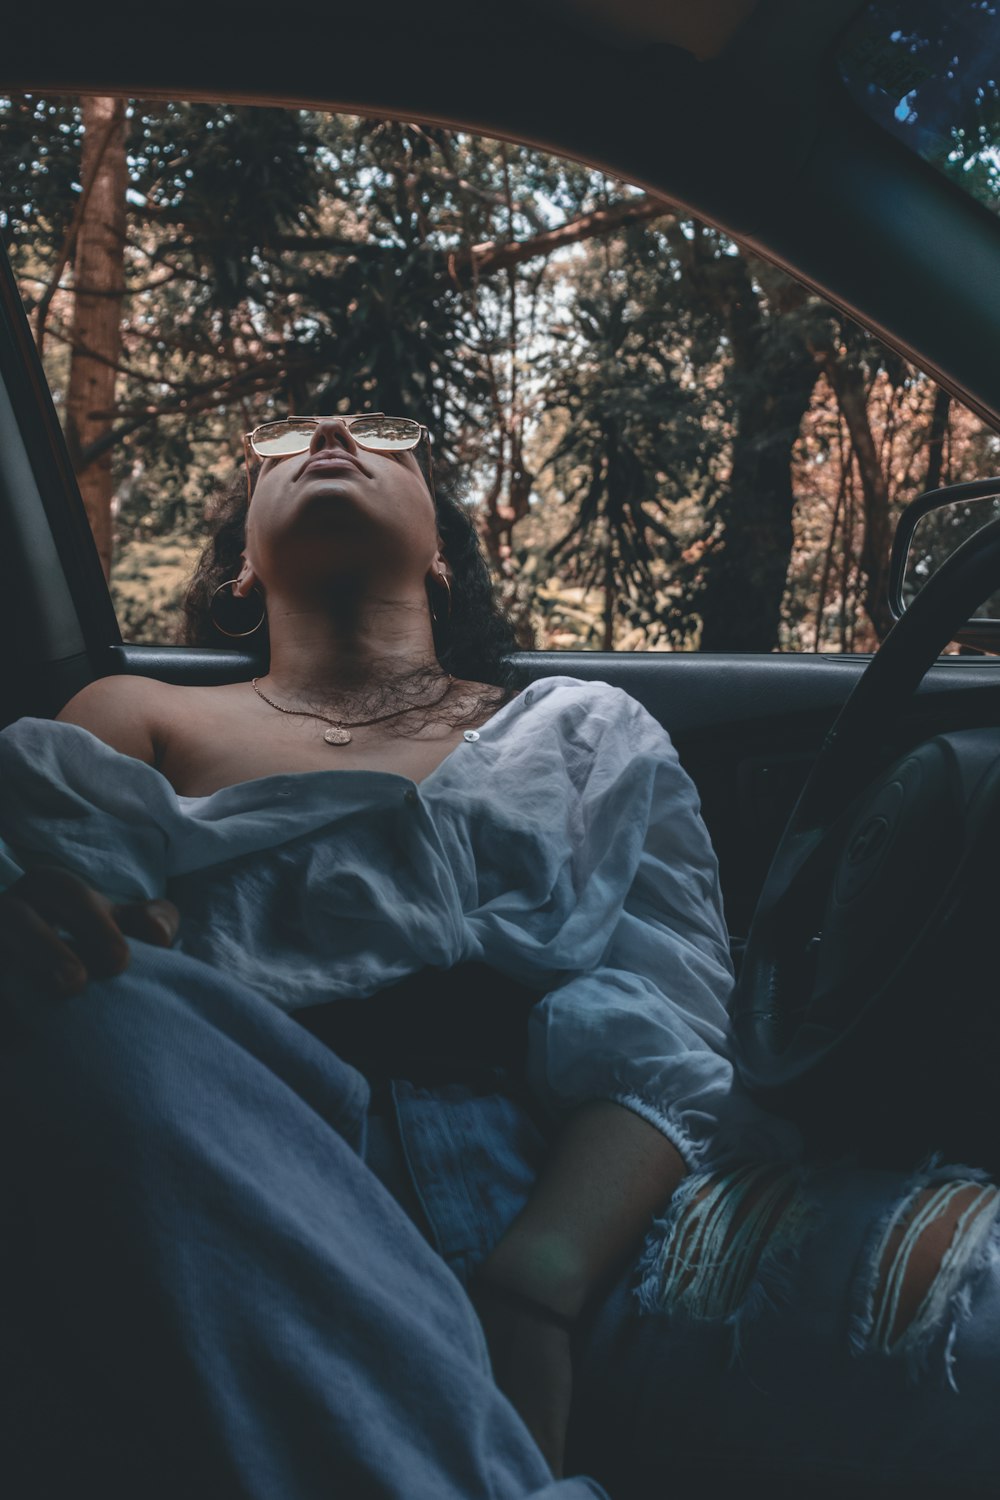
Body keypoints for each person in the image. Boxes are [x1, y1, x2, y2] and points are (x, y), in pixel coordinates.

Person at [0, 413, 995, 1498]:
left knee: (976, 1322)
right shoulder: (135, 715)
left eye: (381, 434)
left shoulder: (577, 731)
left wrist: (541, 1280)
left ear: (439, 554)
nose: (330, 431)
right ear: (244, 560)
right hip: (247, 1202)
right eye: (283, 443)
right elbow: (88, 974)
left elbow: (667, 1028)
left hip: (602, 1218)